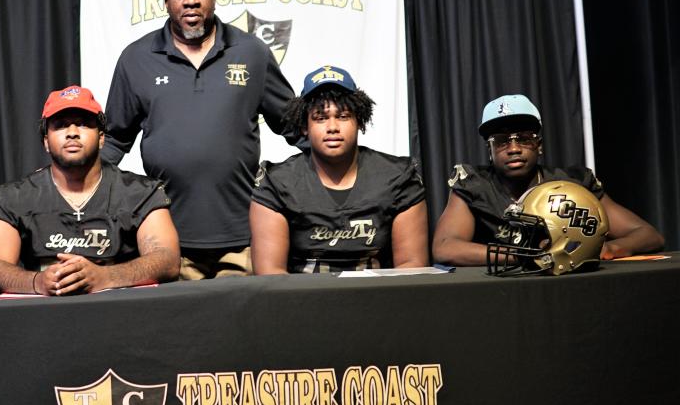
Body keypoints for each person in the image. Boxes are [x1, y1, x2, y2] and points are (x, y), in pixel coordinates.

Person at [102, 0, 297, 279]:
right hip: (167, 241)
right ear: (166, 2)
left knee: (244, 328)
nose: (190, 0)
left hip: (242, 238)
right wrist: (70, 185)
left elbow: (294, 125)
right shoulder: (136, 58)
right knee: (180, 329)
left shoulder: (252, 52)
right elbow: (114, 140)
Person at [0, 85, 180, 295]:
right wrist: (37, 282)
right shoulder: (13, 197)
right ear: (46, 141)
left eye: (83, 124)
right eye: (61, 126)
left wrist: (105, 277)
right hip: (45, 318)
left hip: (120, 315)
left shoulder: (141, 192)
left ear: (101, 137)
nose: (73, 133)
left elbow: (167, 259)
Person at [432, 94, 664, 265]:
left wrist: (610, 247)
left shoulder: (573, 184)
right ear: (489, 150)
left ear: (539, 146)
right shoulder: (474, 185)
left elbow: (648, 234)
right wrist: (529, 257)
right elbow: (445, 248)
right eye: (502, 141)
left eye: (524, 138)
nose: (513, 148)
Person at [250, 66, 429, 273]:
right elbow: (270, 274)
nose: (332, 127)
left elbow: (412, 267)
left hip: (378, 300)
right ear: (304, 126)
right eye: (320, 117)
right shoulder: (277, 182)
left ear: (359, 121)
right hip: (302, 302)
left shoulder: (398, 177)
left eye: (343, 116)